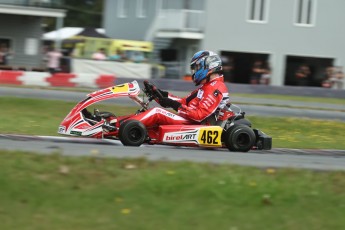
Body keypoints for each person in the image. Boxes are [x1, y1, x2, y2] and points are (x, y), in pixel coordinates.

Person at [127, 50, 230, 127]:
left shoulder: (216, 88)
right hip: (191, 120)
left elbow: (199, 115)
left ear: (208, 66)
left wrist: (173, 104)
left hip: (198, 124)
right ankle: (118, 122)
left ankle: (126, 126)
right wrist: (162, 95)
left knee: (157, 112)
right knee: (154, 113)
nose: (194, 72)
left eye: (197, 68)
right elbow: (184, 102)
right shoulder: (206, 86)